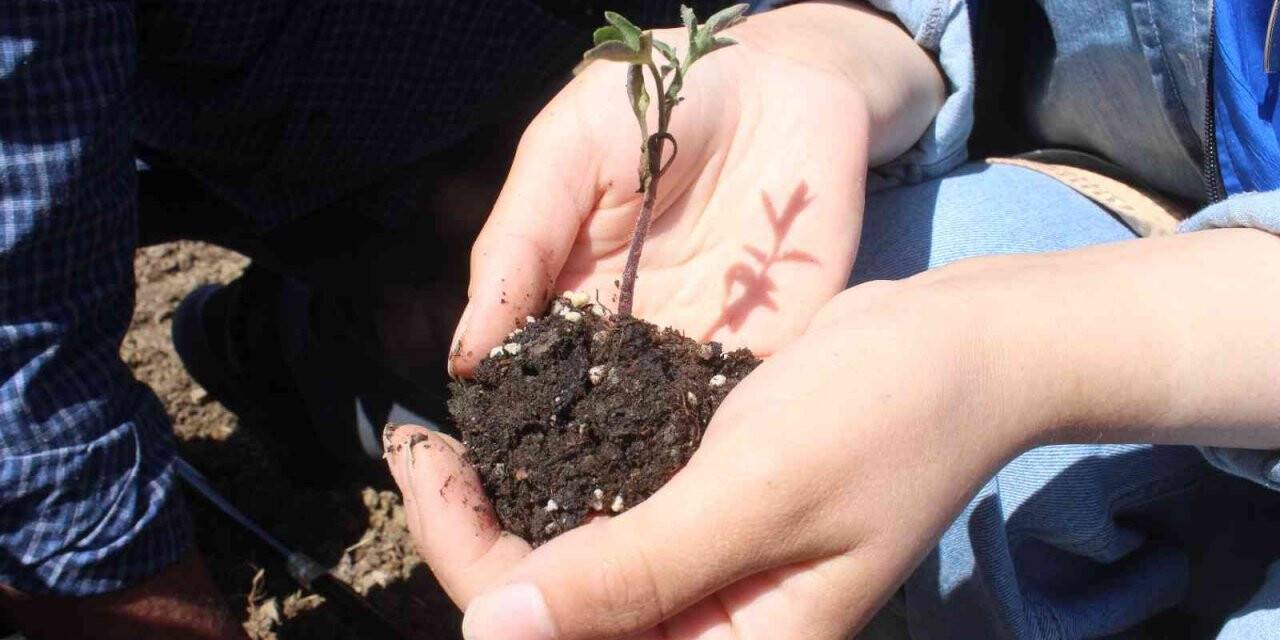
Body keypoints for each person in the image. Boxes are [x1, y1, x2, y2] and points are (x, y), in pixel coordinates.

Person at [386, 0, 1280, 638]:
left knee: (979, 479)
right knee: (860, 284)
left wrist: (1009, 357)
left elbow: (975, 358)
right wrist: (830, 53)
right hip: (1132, 163)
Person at [0, 1, 758, 637]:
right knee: (485, 320)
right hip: (270, 125)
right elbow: (30, 398)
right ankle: (290, 344)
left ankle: (299, 342)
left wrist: (846, 37)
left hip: (513, 93)